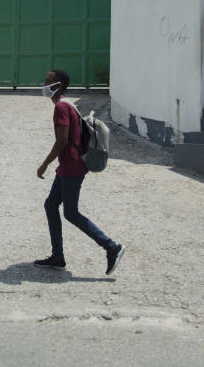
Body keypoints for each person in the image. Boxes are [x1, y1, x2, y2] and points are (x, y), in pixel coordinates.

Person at [34, 69, 124, 275]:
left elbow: (62, 140)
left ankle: (111, 247)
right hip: (69, 166)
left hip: (71, 167)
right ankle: (57, 256)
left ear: (58, 86)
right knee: (50, 205)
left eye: (49, 81)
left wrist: (45, 163)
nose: (44, 84)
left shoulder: (61, 108)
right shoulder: (67, 104)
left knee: (71, 213)